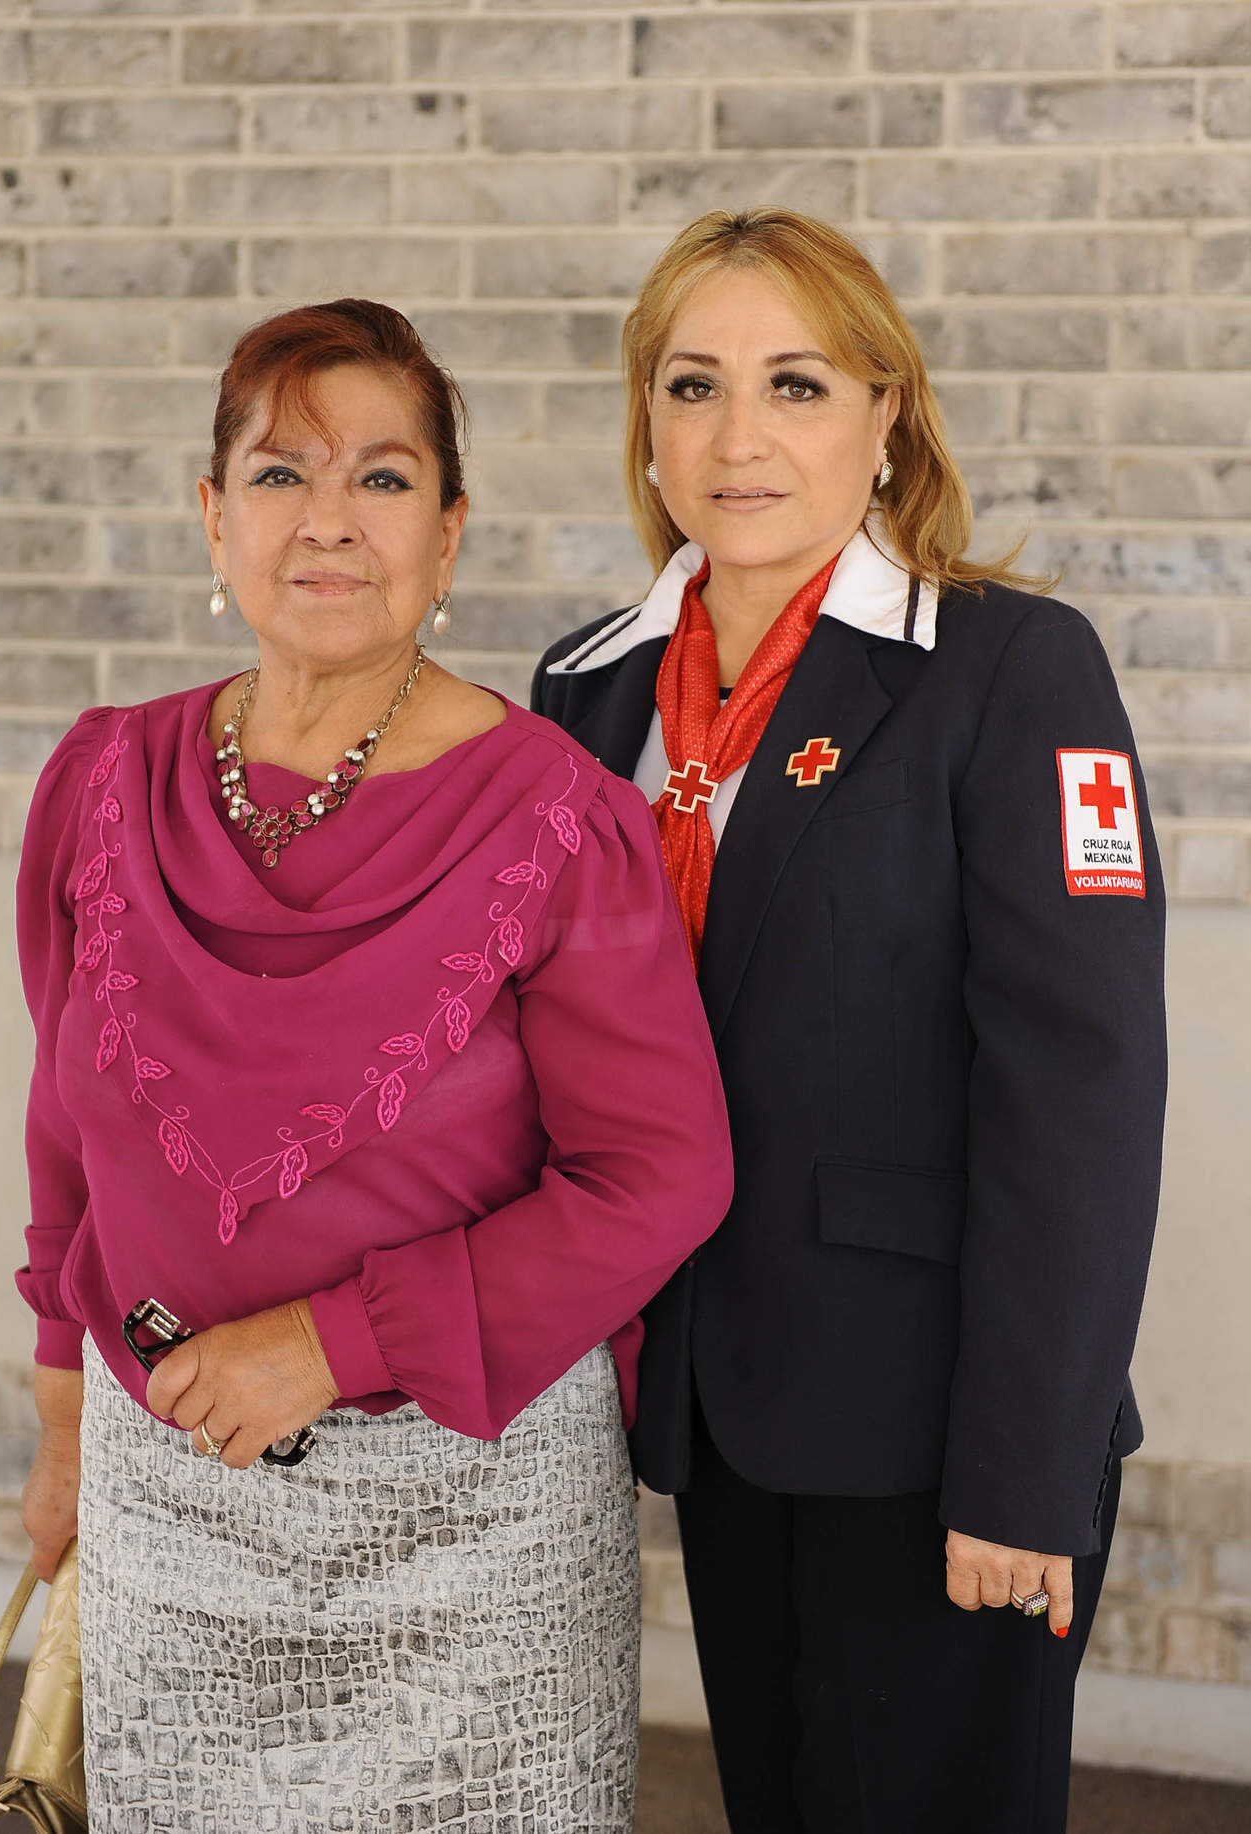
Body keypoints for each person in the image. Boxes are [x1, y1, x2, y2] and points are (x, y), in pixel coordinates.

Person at [14, 297, 733, 1833]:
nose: (328, 521)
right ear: (213, 516)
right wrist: (65, 1430)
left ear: (449, 532)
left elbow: (660, 1176)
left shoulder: (559, 819)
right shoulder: (98, 781)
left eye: (384, 478)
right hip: (167, 1512)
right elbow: (66, 1141)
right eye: (280, 474)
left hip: (470, 1538)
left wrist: (330, 1344)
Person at [533, 210, 1167, 1834]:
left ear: (887, 417)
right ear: (647, 422)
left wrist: (1025, 1471)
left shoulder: (1013, 669)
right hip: (712, 1404)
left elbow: (1081, 1095)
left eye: (797, 383)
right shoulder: (585, 693)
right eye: (693, 384)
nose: (737, 436)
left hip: (940, 1430)